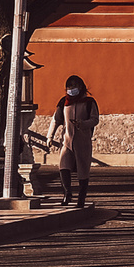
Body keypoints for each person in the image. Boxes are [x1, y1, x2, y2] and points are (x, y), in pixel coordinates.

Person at [42, 75, 99, 208]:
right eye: (69, 86)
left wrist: (83, 124)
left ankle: (81, 198)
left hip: (83, 142)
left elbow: (95, 119)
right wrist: (50, 136)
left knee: (83, 171)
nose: (71, 89)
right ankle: (67, 193)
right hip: (66, 141)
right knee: (64, 167)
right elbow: (56, 120)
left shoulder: (89, 102)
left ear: (81, 87)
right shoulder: (64, 102)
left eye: (74, 86)